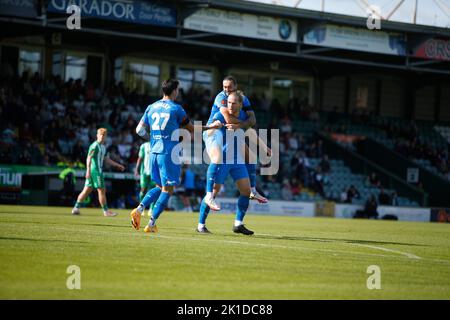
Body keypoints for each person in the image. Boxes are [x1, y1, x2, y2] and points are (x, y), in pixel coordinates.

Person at [129, 79, 195, 233]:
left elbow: (139, 130)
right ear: (174, 91)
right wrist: (211, 126)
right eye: (178, 89)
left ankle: (139, 209)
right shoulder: (177, 109)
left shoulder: (151, 107)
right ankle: (151, 224)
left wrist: (152, 138)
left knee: (159, 187)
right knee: (168, 190)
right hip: (168, 153)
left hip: (154, 152)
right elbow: (191, 129)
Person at [197, 91, 267, 235]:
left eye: (233, 102)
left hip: (236, 160)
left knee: (246, 192)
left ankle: (238, 224)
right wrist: (213, 127)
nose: (230, 105)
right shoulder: (221, 115)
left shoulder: (243, 118)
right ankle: (201, 225)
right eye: (228, 102)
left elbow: (251, 131)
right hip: (223, 160)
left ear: (240, 104)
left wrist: (265, 147)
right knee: (214, 193)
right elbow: (207, 131)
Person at [71, 128, 125, 216]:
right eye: (101, 135)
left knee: (87, 190)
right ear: (97, 135)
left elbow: (105, 159)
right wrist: (88, 171)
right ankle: (106, 211)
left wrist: (117, 165)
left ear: (106, 137)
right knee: (102, 190)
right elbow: (89, 158)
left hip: (95, 171)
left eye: (104, 135)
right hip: (95, 171)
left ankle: (76, 208)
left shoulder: (103, 147)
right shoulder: (94, 146)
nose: (102, 137)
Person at [134, 141, 156, 216]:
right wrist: (136, 169)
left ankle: (151, 209)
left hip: (154, 173)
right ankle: (141, 208)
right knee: (143, 190)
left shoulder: (157, 144)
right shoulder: (144, 146)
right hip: (144, 172)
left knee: (153, 190)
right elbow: (140, 158)